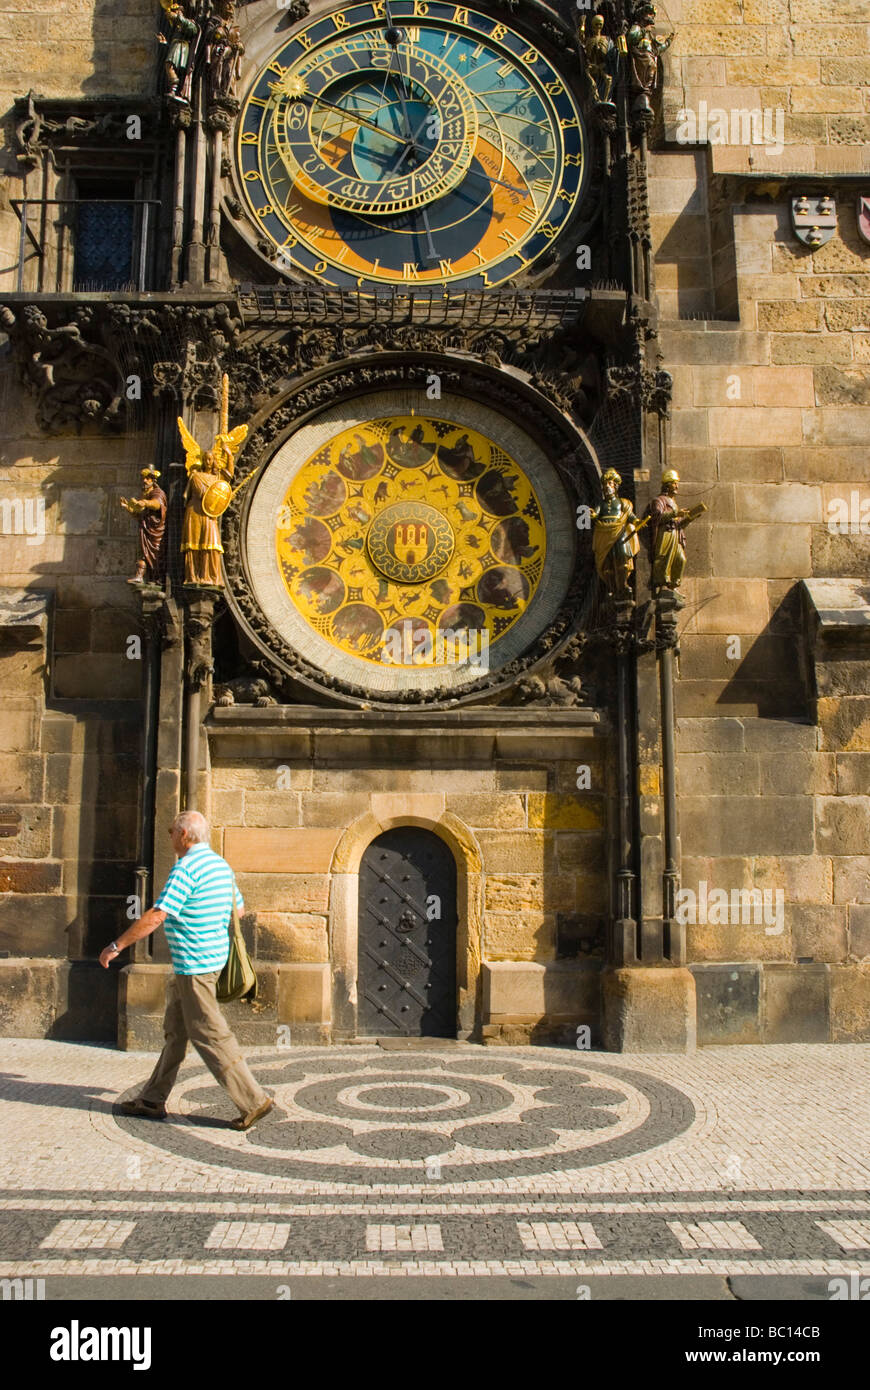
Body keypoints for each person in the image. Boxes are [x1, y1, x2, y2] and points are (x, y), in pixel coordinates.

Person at [99, 811, 274, 1131]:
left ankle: (253, 1100)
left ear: (183, 834)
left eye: (170, 831)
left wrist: (117, 945)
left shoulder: (186, 868)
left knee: (209, 1032)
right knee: (176, 1033)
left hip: (196, 966)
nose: (169, 837)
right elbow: (239, 909)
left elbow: (156, 915)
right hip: (207, 961)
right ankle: (152, 1099)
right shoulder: (220, 866)